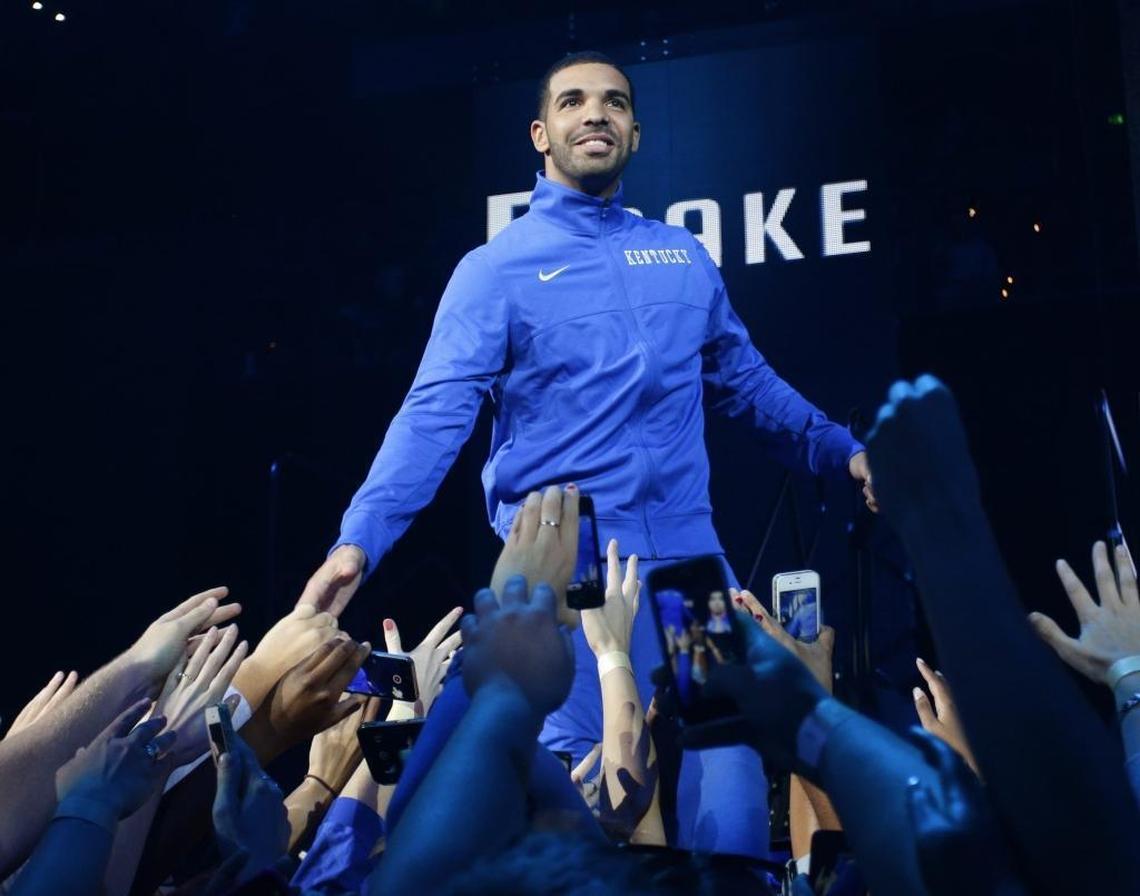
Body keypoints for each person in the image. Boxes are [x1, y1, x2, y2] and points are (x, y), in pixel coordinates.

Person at [297, 50, 874, 857]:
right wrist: (361, 538)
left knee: (734, 806)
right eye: (572, 103)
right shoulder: (494, 271)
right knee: (588, 815)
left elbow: (748, 384)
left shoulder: (683, 256)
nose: (594, 114)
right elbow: (433, 416)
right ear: (542, 134)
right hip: (568, 578)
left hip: (690, 574)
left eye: (613, 102)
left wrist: (843, 453)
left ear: (636, 132)